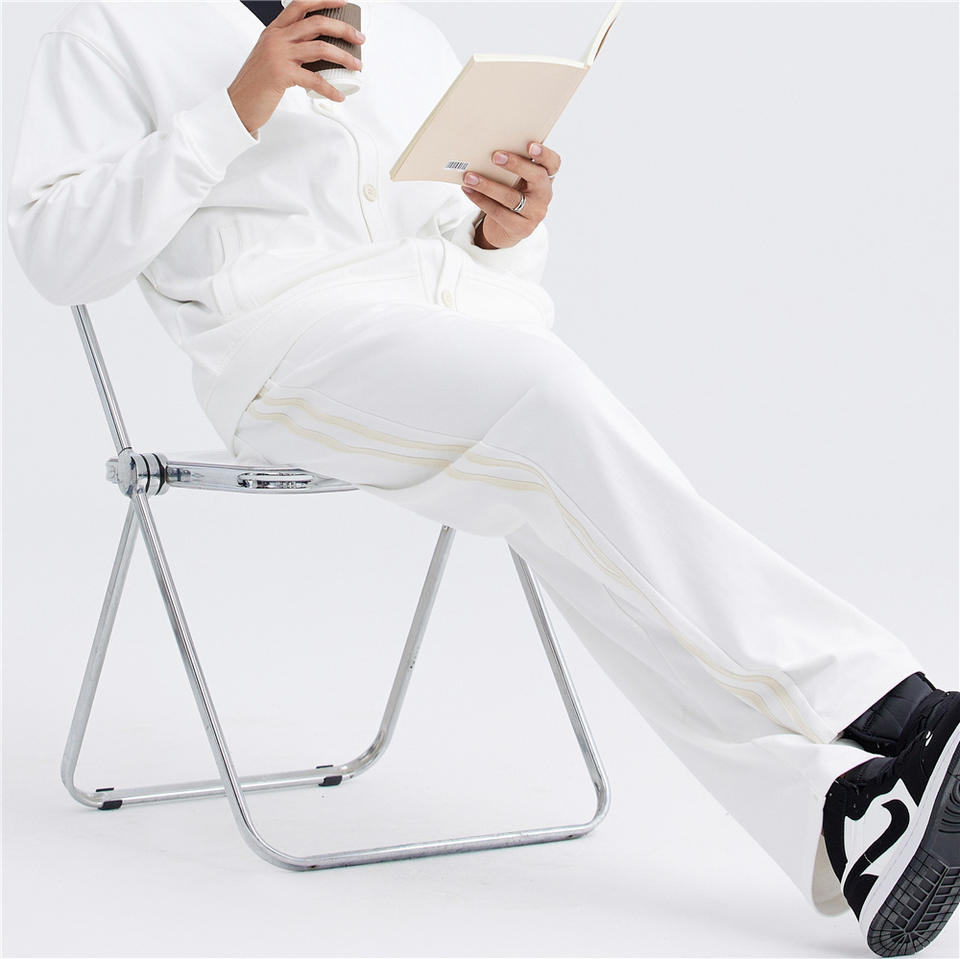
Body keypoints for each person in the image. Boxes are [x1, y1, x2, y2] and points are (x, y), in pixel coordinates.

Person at [6, 2, 958, 955]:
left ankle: (846, 823)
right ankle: (890, 702)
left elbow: (462, 255)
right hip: (285, 355)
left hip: (452, 348)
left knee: (570, 505)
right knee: (549, 412)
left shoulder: (401, 32)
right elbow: (56, 257)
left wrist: (502, 230)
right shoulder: (114, 30)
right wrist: (236, 106)